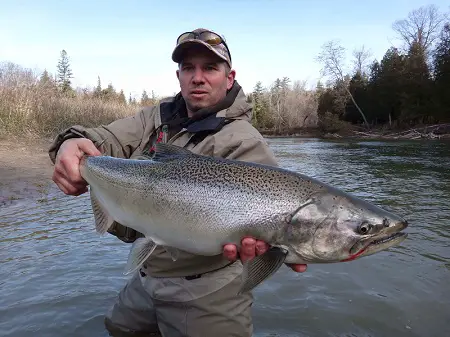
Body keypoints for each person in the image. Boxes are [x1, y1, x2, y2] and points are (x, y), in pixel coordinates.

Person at [48, 28, 307, 337]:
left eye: (210, 67)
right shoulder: (156, 118)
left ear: (229, 77)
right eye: (189, 68)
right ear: (179, 75)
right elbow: (106, 138)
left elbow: (274, 220)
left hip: (208, 292)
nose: (198, 77)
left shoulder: (245, 142)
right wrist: (72, 142)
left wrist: (285, 247)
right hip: (148, 275)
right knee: (119, 328)